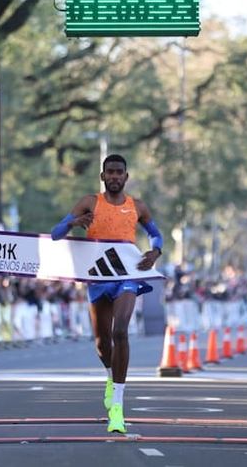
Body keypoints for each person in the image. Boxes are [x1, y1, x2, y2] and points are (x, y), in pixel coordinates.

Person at [51, 154, 163, 434]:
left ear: (126, 176)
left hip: (127, 275)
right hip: (98, 277)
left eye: (119, 172)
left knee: (121, 332)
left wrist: (155, 252)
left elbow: (155, 234)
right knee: (102, 345)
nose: (114, 176)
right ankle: (110, 377)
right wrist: (75, 222)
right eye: (109, 172)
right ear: (103, 176)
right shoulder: (90, 202)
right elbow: (55, 233)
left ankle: (118, 408)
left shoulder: (137, 206)